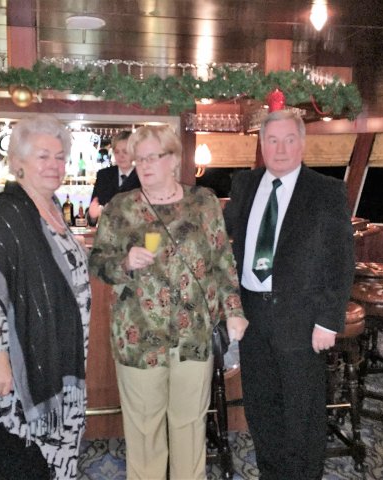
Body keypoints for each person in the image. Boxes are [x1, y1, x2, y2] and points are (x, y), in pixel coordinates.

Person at [89, 125, 248, 480]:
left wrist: (234, 311)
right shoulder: (120, 207)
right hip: (138, 337)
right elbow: (97, 263)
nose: (144, 165)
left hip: (193, 335)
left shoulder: (204, 202)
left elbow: (222, 260)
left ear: (174, 159)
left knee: (189, 425)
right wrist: (124, 263)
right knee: (144, 431)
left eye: (153, 157)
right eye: (139, 158)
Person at [0, 114, 90, 480]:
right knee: (12, 452)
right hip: (17, 361)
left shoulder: (51, 208)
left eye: (60, 157)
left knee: (51, 452)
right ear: (18, 162)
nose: (55, 165)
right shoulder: (8, 213)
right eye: (43, 156)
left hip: (57, 356)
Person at [223, 110, 354, 480]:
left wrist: (328, 320)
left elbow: (341, 259)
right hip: (252, 315)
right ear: (262, 144)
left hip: (303, 319)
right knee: (261, 408)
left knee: (303, 414)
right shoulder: (245, 184)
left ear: (302, 144)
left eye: (289, 140)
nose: (280, 149)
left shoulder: (326, 191)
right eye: (272, 140)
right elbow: (218, 234)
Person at [86, 130, 140, 225]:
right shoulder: (103, 175)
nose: (121, 156)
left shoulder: (142, 177)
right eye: (117, 152)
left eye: (125, 152)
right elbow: (92, 214)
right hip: (107, 231)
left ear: (134, 152)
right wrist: (92, 216)